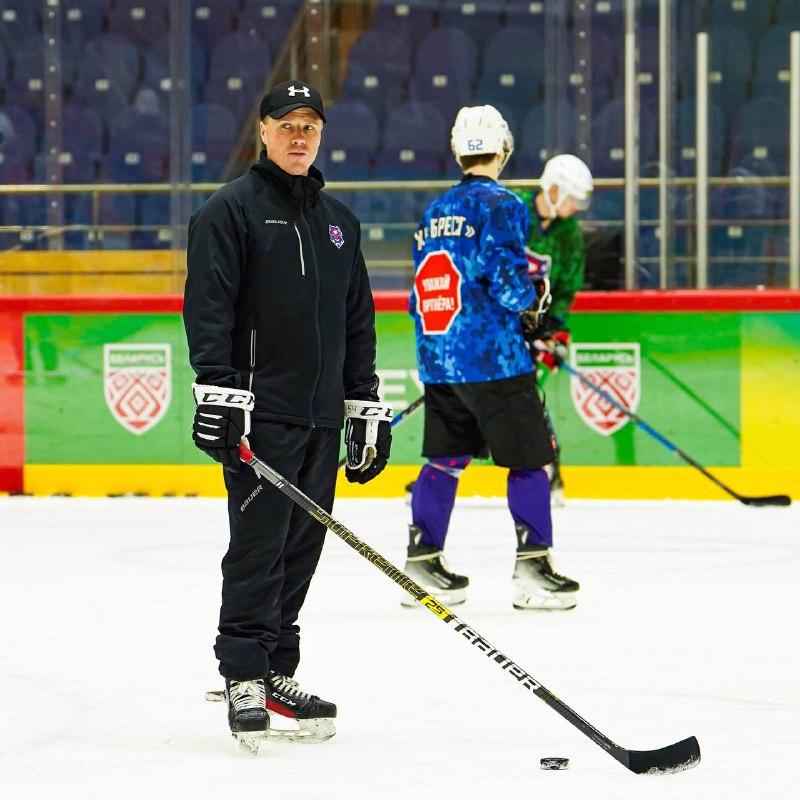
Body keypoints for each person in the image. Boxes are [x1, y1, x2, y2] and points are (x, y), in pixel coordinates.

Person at [183, 80, 392, 751]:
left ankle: (277, 668)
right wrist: (218, 393)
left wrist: (363, 401)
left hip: (322, 416)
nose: (299, 135)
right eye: (287, 123)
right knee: (258, 547)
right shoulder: (229, 212)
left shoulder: (340, 222)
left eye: (310, 125)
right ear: (263, 131)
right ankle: (243, 672)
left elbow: (356, 322)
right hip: (260, 414)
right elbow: (209, 309)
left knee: (302, 548)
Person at [403, 105, 579, 612]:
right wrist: (534, 308)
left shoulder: (434, 211)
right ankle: (534, 570)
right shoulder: (502, 204)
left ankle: (422, 566)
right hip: (494, 359)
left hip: (437, 357)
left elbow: (422, 290)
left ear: (458, 151)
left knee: (445, 460)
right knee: (529, 458)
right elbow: (505, 278)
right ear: (503, 151)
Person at [515, 155, 593, 505]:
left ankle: (550, 472)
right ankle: (442, 471)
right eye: (574, 198)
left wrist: (554, 330)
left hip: (538, 325)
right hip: (498, 322)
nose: (577, 207)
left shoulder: (569, 233)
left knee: (528, 399)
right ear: (556, 190)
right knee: (474, 399)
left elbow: (566, 287)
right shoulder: (514, 211)